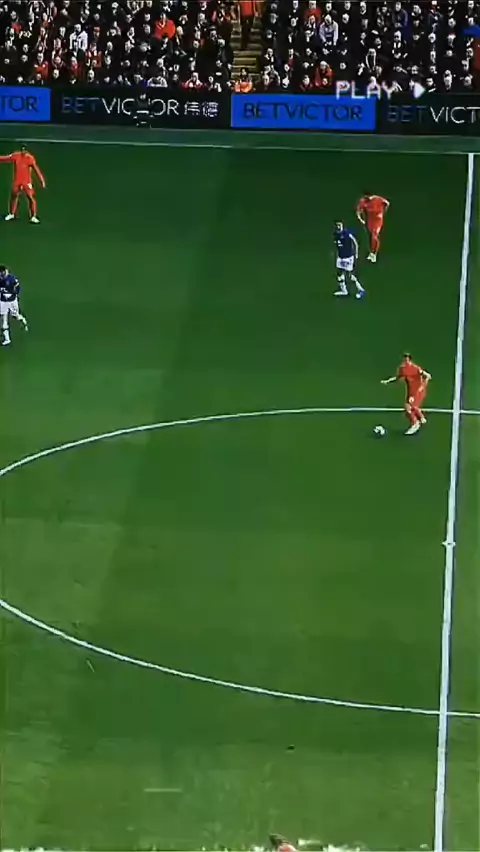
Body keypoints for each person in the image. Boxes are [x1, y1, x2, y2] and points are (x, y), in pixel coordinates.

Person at [381, 353, 431, 435]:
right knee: (407, 408)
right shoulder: (402, 369)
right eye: (404, 359)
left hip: (418, 391)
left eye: (407, 359)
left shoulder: (415, 368)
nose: (405, 361)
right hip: (410, 391)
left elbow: (427, 375)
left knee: (412, 406)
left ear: (410, 360)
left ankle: (419, 420)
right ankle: (418, 421)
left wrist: (423, 385)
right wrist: (387, 381)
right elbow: (397, 377)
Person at [0, 145, 46, 224]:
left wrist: (42, 181)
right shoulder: (16, 155)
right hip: (17, 181)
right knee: (14, 196)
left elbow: (36, 169)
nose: (23, 151)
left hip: (27, 182)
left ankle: (33, 216)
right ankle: (12, 214)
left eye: (24, 150)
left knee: (30, 197)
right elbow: (6, 158)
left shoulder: (30, 158)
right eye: (22, 150)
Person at [333, 220, 365, 299]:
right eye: (337, 225)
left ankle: (361, 290)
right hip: (340, 258)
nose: (338, 227)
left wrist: (356, 254)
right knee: (339, 274)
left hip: (348, 258)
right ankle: (344, 291)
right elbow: (337, 246)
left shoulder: (347, 234)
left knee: (350, 275)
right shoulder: (335, 234)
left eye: (340, 225)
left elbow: (355, 242)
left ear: (342, 226)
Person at [356, 192, 390, 263]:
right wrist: (361, 220)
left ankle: (374, 254)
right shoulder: (363, 201)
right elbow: (358, 211)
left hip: (378, 220)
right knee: (371, 236)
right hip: (370, 221)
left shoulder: (377, 199)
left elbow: (387, 203)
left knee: (375, 235)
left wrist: (383, 211)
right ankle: (371, 252)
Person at [0, 266, 28, 347]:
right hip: (3, 302)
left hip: (12, 302)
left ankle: (23, 320)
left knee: (16, 316)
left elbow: (18, 289)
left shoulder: (12, 279)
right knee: (4, 320)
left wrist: (12, 294)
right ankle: (7, 339)